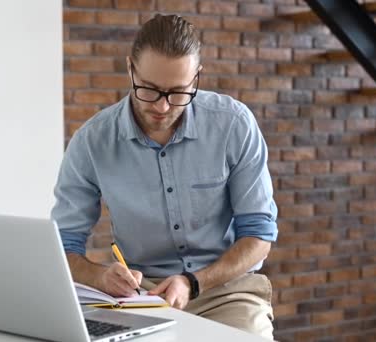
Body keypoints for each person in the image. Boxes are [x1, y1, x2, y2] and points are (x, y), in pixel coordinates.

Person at [51, 14, 278, 339]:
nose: (162, 106)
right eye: (150, 90)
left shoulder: (233, 125)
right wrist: (100, 277)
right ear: (131, 69)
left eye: (177, 92)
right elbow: (64, 245)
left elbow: (258, 236)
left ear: (196, 78)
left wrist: (193, 282)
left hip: (227, 292)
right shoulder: (92, 141)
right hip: (140, 298)